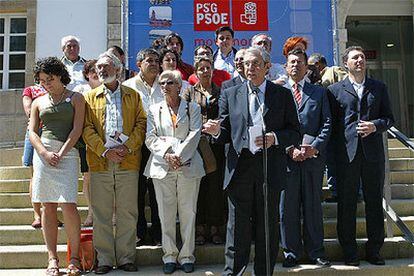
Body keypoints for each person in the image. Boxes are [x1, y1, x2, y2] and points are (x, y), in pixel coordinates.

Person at [203, 47, 300, 275]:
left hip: (269, 166)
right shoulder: (231, 93)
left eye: (256, 63)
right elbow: (226, 130)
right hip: (240, 167)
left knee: (267, 226)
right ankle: (233, 272)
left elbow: (295, 131)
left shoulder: (281, 95)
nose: (250, 68)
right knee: (237, 226)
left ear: (267, 67)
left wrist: (275, 138)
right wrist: (217, 131)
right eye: (247, 64)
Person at [327, 46, 394, 266]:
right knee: (346, 204)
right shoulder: (335, 90)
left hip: (372, 154)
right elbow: (332, 126)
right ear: (345, 63)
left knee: (374, 202)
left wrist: (375, 126)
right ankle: (350, 251)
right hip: (346, 155)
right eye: (355, 58)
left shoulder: (378, 87)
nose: (360, 61)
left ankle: (374, 250)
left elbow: (389, 118)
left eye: (363, 57)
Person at [83, 52, 146, 274]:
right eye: (99, 67)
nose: (101, 71)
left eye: (106, 67)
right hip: (100, 162)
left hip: (128, 161)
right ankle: (105, 260)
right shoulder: (89, 97)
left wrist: (127, 147)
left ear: (118, 69)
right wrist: (104, 151)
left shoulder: (133, 95)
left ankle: (127, 257)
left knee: (128, 212)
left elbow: (141, 124)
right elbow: (87, 129)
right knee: (101, 213)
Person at [29, 57, 85, 276]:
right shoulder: (38, 101)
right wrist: (43, 152)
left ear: (61, 75)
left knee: (69, 205)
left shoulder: (76, 98)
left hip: (68, 154)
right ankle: (52, 259)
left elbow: (77, 129)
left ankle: (74, 259)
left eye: (49, 79)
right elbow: (32, 132)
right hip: (43, 154)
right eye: (42, 80)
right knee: (47, 206)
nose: (46, 84)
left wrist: (61, 153)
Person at [145, 70, 204, 274]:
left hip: (188, 165)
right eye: (162, 83)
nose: (165, 86)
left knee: (188, 212)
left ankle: (187, 256)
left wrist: (178, 155)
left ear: (180, 86)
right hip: (162, 167)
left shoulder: (192, 108)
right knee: (165, 214)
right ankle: (169, 255)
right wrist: (168, 154)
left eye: (170, 82)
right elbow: (150, 138)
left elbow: (195, 134)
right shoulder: (153, 109)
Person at [279, 49, 331, 268]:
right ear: (286, 66)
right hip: (286, 160)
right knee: (287, 208)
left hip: (312, 160)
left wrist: (314, 148)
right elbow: (273, 124)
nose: (295, 66)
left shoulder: (318, 93)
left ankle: (315, 251)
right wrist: (290, 148)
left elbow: (327, 123)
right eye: (291, 62)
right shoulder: (278, 92)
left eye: (299, 62)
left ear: (306, 67)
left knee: (312, 207)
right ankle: (290, 252)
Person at [182, 55, 225, 245]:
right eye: (201, 69)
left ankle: (215, 227)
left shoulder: (221, 91)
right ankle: (199, 228)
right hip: (196, 147)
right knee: (198, 189)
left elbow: (227, 114)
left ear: (213, 71)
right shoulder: (189, 93)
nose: (205, 71)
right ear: (195, 73)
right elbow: (183, 115)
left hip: (216, 146)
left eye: (208, 68)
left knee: (215, 189)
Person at [123, 48, 163, 246]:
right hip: (136, 146)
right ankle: (139, 233)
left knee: (158, 191)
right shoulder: (128, 87)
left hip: (159, 146)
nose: (154, 63)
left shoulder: (165, 85)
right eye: (150, 60)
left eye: (157, 60)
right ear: (139, 64)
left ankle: (159, 234)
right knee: (137, 191)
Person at [308, 53, 349, 203]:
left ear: (318, 64)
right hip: (324, 126)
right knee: (330, 161)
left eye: (311, 65)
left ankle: (351, 192)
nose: (310, 69)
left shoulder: (333, 71)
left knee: (340, 160)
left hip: (338, 125)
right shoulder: (313, 79)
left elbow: (346, 87)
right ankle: (335, 191)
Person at [73, 59, 101, 227]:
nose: (97, 73)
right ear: (87, 74)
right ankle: (91, 212)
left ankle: (112, 213)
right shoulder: (80, 91)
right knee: (88, 178)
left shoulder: (111, 89)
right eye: (93, 71)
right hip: (86, 141)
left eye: (99, 69)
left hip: (107, 141)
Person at [22, 84, 48, 228]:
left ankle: (49, 214)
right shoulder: (30, 90)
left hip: (52, 133)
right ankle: (37, 215)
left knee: (49, 176)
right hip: (35, 131)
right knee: (35, 175)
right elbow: (28, 110)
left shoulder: (57, 87)